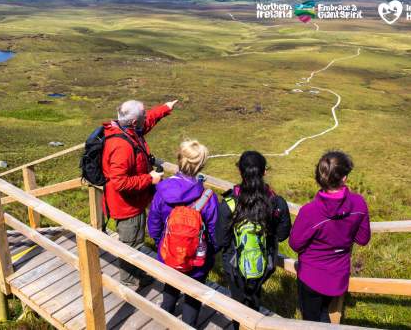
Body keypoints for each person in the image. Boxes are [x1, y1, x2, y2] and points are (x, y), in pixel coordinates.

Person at [102, 99, 178, 288]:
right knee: (131, 244)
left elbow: (148, 119)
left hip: (131, 202)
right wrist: (149, 179)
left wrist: (165, 108)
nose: (147, 116)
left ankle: (134, 273)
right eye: (143, 114)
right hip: (127, 206)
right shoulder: (123, 147)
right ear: (135, 122)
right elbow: (119, 182)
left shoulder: (126, 130)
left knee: (134, 240)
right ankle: (129, 282)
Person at [289, 150, 371, 322]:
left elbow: (295, 244)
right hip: (338, 276)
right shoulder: (359, 203)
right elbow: (363, 239)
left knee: (311, 320)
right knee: (325, 312)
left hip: (311, 277)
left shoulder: (309, 211)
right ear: (344, 178)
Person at [216, 151, 291, 330]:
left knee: (238, 302)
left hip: (234, 266)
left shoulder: (229, 203)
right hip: (264, 264)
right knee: (255, 297)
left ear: (241, 172)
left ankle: (238, 325)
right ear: (264, 172)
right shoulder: (276, 203)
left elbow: (221, 240)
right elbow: (282, 234)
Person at [148, 140, 219, 327]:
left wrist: (162, 243)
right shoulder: (208, 197)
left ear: (179, 159)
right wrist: (209, 254)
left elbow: (153, 225)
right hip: (197, 261)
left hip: (169, 255)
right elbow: (214, 234)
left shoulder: (162, 191)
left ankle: (166, 315)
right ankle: (188, 324)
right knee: (193, 297)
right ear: (201, 165)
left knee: (170, 287)